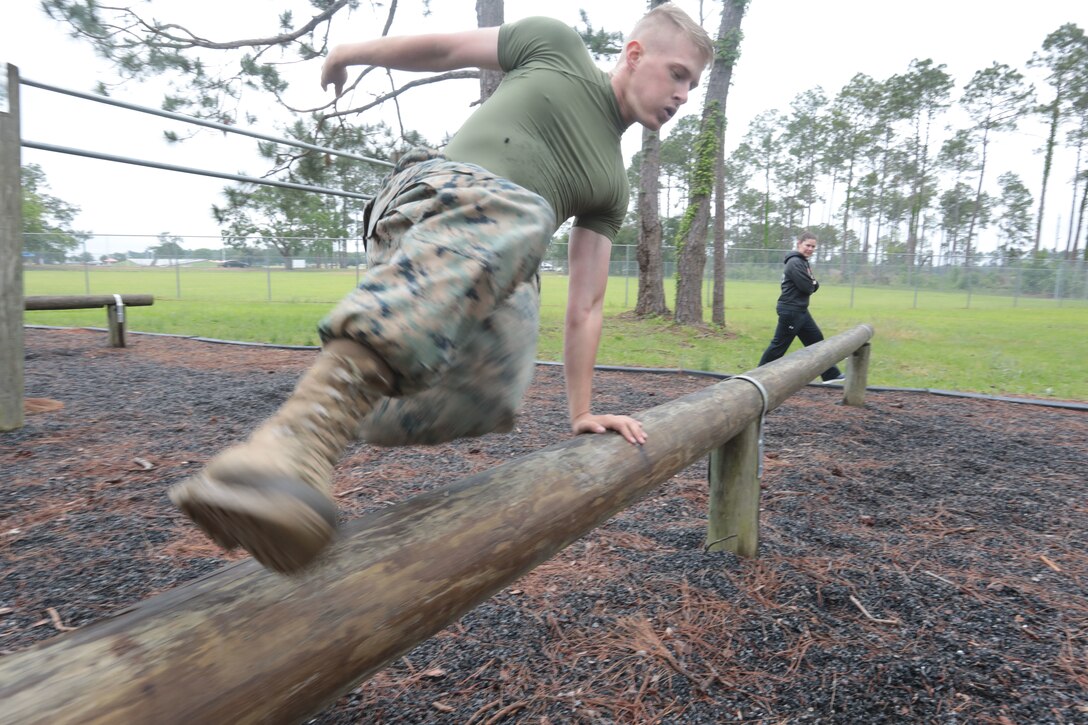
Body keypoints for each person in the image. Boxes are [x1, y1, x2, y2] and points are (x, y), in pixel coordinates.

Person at [168, 5, 715, 573]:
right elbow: (444, 51)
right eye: (678, 73)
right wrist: (348, 53)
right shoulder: (556, 46)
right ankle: (294, 445)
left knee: (494, 392)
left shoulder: (611, 185)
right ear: (634, 54)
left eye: (694, 86)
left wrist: (582, 412)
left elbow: (587, 304)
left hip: (494, 255)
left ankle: (295, 445)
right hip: (427, 199)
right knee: (523, 211)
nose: (683, 94)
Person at [757, 231, 845, 382]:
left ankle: (830, 374)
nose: (810, 249)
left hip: (801, 310)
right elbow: (808, 287)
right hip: (791, 310)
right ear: (799, 244)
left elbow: (812, 284)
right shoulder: (795, 263)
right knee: (779, 345)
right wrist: (812, 283)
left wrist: (812, 283)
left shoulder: (802, 261)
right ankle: (757, 376)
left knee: (816, 339)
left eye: (813, 246)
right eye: (807, 245)